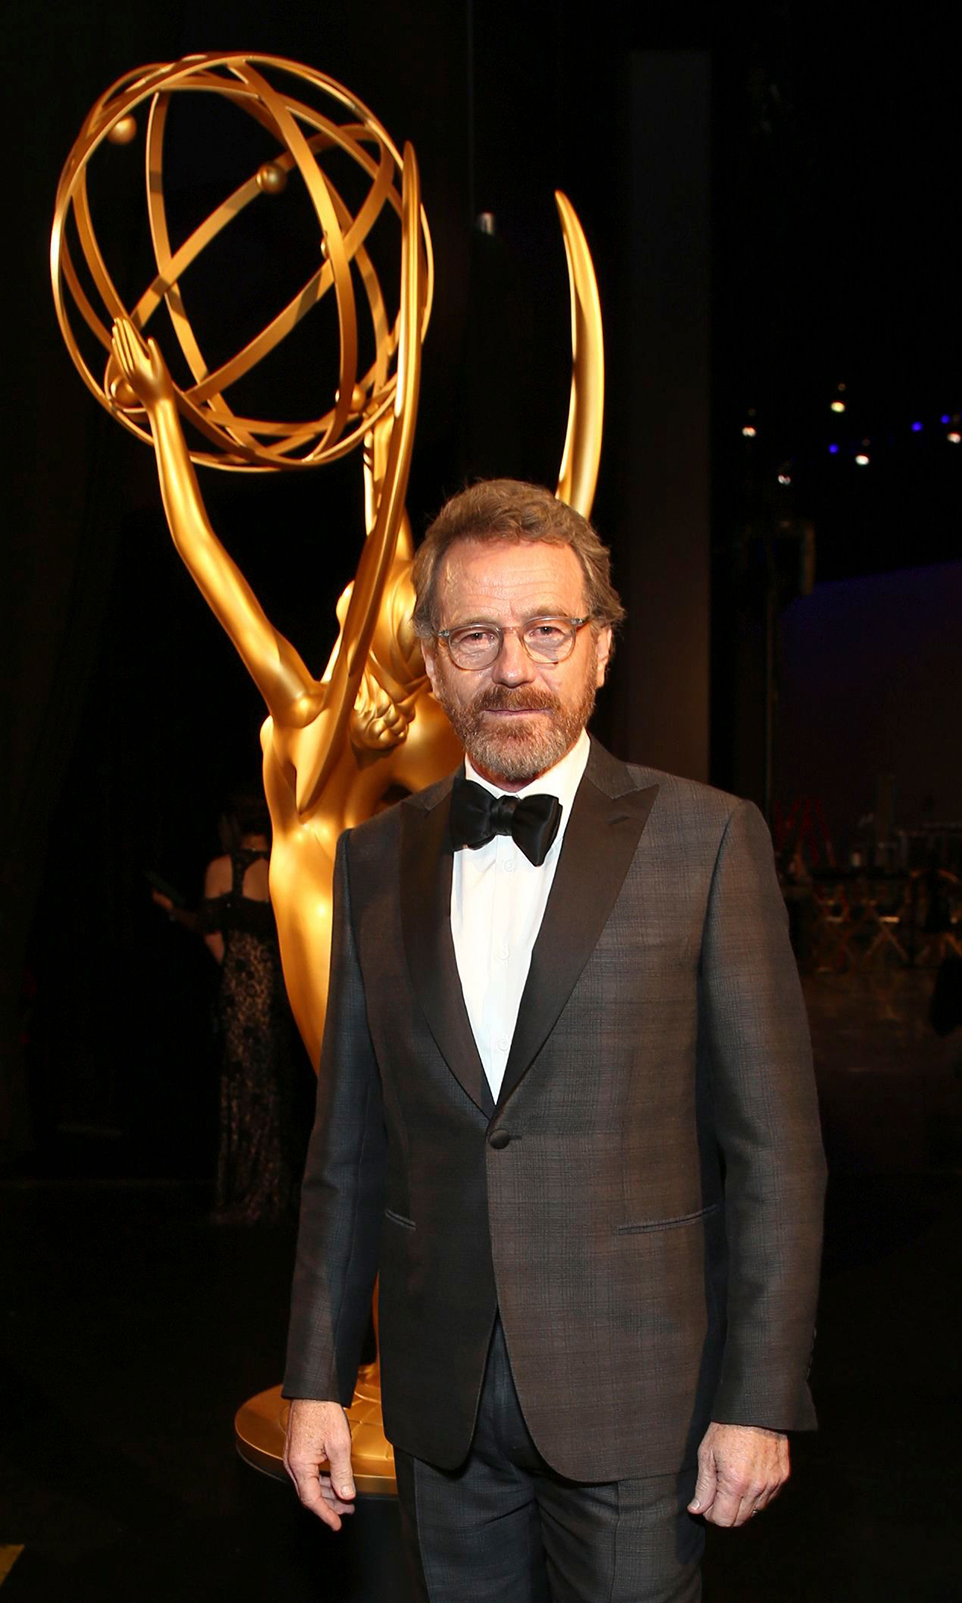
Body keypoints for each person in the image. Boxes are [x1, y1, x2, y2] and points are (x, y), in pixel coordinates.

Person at [282, 480, 826, 1602]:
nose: (513, 669)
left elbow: (775, 1153)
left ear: (600, 650)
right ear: (431, 660)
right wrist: (315, 1380)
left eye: (546, 630)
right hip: (438, 1403)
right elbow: (346, 1157)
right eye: (476, 635)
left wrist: (760, 1396)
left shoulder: (709, 841)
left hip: (642, 1401)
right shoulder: (373, 859)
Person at [153, 791, 295, 1222]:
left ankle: (242, 1191)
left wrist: (173, 911)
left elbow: (209, 931)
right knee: (272, 1086)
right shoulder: (284, 867)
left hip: (239, 990)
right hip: (277, 991)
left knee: (240, 1086)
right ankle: (273, 1191)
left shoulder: (220, 869)